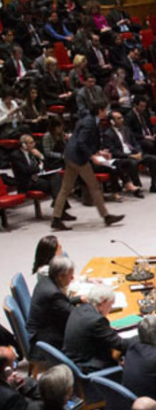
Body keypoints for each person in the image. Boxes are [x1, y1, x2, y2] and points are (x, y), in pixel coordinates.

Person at [48, 100, 123, 231]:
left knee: (65, 188)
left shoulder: (90, 120)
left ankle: (56, 218)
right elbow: (81, 142)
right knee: (94, 187)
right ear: (100, 111)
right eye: (105, 110)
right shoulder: (89, 122)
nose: (107, 112)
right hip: (78, 158)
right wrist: (92, 157)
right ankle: (106, 216)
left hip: (71, 156)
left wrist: (98, 152)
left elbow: (87, 141)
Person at [62, 284, 127, 372]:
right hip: (85, 365)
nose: (111, 308)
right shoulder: (97, 320)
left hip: (72, 357)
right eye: (110, 305)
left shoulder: (79, 308)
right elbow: (120, 344)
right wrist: (139, 337)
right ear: (103, 301)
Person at [26, 256, 76, 352]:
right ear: (61, 276)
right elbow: (74, 315)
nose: (73, 278)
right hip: (45, 340)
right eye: (70, 276)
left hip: (42, 329)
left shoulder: (45, 280)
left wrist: (79, 299)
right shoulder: (53, 293)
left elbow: (62, 304)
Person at [11, 133, 63, 209]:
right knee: (54, 185)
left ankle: (58, 206)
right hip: (27, 181)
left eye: (34, 142)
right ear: (24, 145)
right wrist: (39, 168)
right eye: (31, 143)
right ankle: (60, 208)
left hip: (36, 177)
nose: (34, 145)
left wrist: (40, 156)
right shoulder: (16, 155)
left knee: (57, 176)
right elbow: (26, 171)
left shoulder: (32, 153)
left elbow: (46, 166)